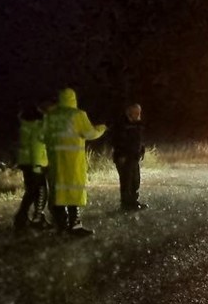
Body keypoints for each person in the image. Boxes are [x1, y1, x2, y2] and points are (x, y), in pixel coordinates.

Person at [43, 87, 107, 236]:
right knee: (73, 190)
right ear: (73, 99)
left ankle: (61, 224)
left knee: (58, 191)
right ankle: (75, 225)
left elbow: (43, 136)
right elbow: (89, 133)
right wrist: (102, 128)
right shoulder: (77, 115)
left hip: (54, 159)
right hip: (72, 160)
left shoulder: (50, 116)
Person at [13, 104, 50, 230]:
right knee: (41, 192)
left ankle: (22, 218)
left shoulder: (25, 126)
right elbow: (36, 147)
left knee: (31, 192)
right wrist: (37, 165)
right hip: (35, 163)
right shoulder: (36, 128)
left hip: (25, 163)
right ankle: (36, 218)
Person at [112, 103, 147, 211]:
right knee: (126, 181)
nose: (138, 115)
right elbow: (116, 141)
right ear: (129, 113)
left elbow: (139, 140)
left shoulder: (138, 125)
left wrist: (142, 150)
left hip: (134, 156)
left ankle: (133, 202)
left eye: (139, 112)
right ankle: (126, 204)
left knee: (135, 180)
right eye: (135, 112)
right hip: (124, 157)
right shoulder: (121, 125)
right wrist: (121, 155)